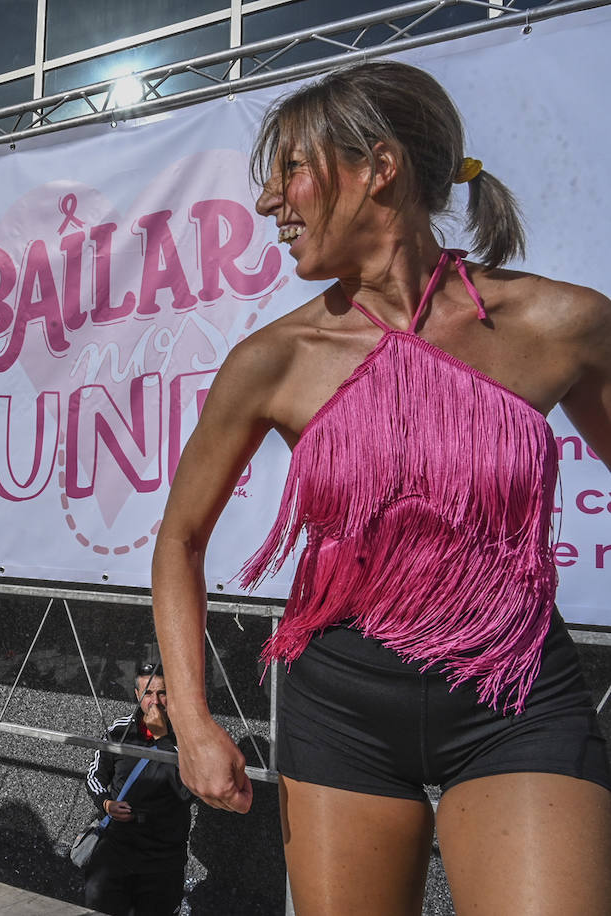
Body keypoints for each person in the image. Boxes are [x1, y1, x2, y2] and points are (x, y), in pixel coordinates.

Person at [151, 60, 611, 914]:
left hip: (517, 697)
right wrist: (192, 717)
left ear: (378, 167)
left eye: (290, 169)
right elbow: (178, 539)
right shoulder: (274, 360)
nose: (267, 203)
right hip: (342, 713)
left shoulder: (563, 324)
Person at [83, 665, 193, 916]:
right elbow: (94, 776)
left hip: (162, 858)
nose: (155, 701)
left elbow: (188, 791)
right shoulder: (119, 731)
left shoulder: (187, 736)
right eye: (148, 693)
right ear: (136, 694)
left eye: (162, 693)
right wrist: (106, 804)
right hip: (116, 852)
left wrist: (163, 739)